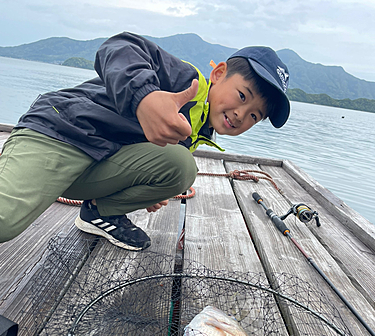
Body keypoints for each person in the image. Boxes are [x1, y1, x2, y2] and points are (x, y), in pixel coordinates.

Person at [0, 32, 290, 250]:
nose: (241, 115)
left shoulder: (199, 128)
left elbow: (155, 159)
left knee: (180, 167)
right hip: (61, 133)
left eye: (254, 115)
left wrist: (145, 187)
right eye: (242, 96)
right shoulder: (184, 81)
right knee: (5, 220)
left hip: (92, 164)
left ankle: (99, 213)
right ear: (218, 74)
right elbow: (119, 47)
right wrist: (144, 97)